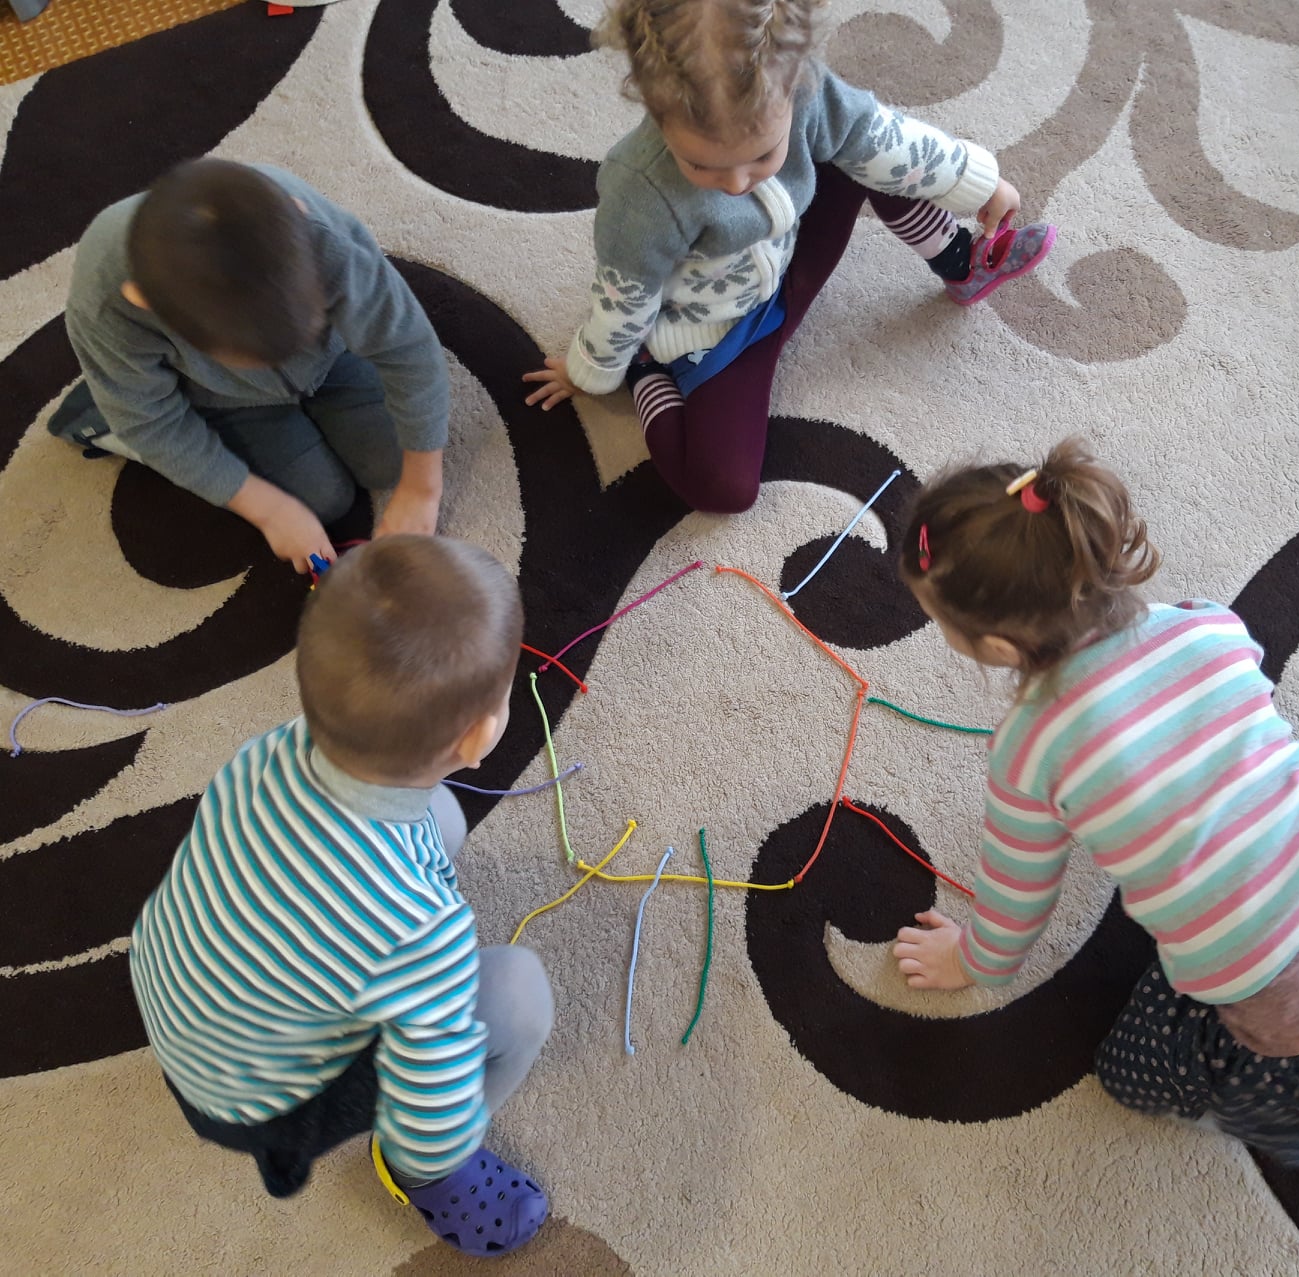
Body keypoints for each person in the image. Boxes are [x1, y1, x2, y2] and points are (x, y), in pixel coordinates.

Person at [890, 440, 1299, 1198]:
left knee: (1128, 1074)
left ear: (999, 646)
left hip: (1297, 1013)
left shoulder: (1027, 750)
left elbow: (1016, 899)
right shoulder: (1207, 626)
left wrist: (972, 962)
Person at [127, 535, 551, 1257]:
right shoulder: (419, 932)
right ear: (479, 736)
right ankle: (432, 1181)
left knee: (439, 814)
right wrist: (434, 1150)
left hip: (176, 992)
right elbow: (430, 1098)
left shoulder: (263, 753)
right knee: (520, 993)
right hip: (261, 1104)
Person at [523, 0, 1056, 513]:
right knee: (724, 489)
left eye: (761, 155)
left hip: (788, 263)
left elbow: (883, 139)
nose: (737, 184)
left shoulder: (803, 89)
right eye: (702, 165)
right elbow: (623, 297)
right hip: (715, 338)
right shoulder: (638, 194)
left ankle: (959, 261)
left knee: (873, 154)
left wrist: (980, 183)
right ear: (654, 108)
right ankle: (646, 372)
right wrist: (593, 369)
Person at [52, 158, 450, 573]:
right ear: (145, 303)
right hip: (220, 397)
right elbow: (152, 424)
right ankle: (97, 411)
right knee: (324, 499)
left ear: (299, 213)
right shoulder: (105, 305)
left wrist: (422, 490)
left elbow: (408, 347)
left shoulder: (318, 232)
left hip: (332, 360)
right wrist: (269, 511)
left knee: (396, 458)